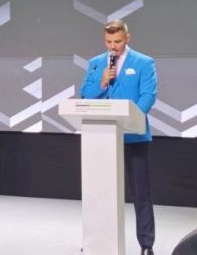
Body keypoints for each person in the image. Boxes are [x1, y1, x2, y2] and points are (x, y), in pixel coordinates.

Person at [80, 19, 157, 255]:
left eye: (118, 41)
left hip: (134, 137)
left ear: (127, 38)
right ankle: (96, 241)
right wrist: (103, 81)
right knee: (99, 193)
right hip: (102, 138)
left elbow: (148, 96)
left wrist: (131, 120)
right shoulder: (96, 64)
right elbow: (85, 95)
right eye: (109, 42)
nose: (113, 46)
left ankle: (146, 244)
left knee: (140, 193)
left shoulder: (144, 62)